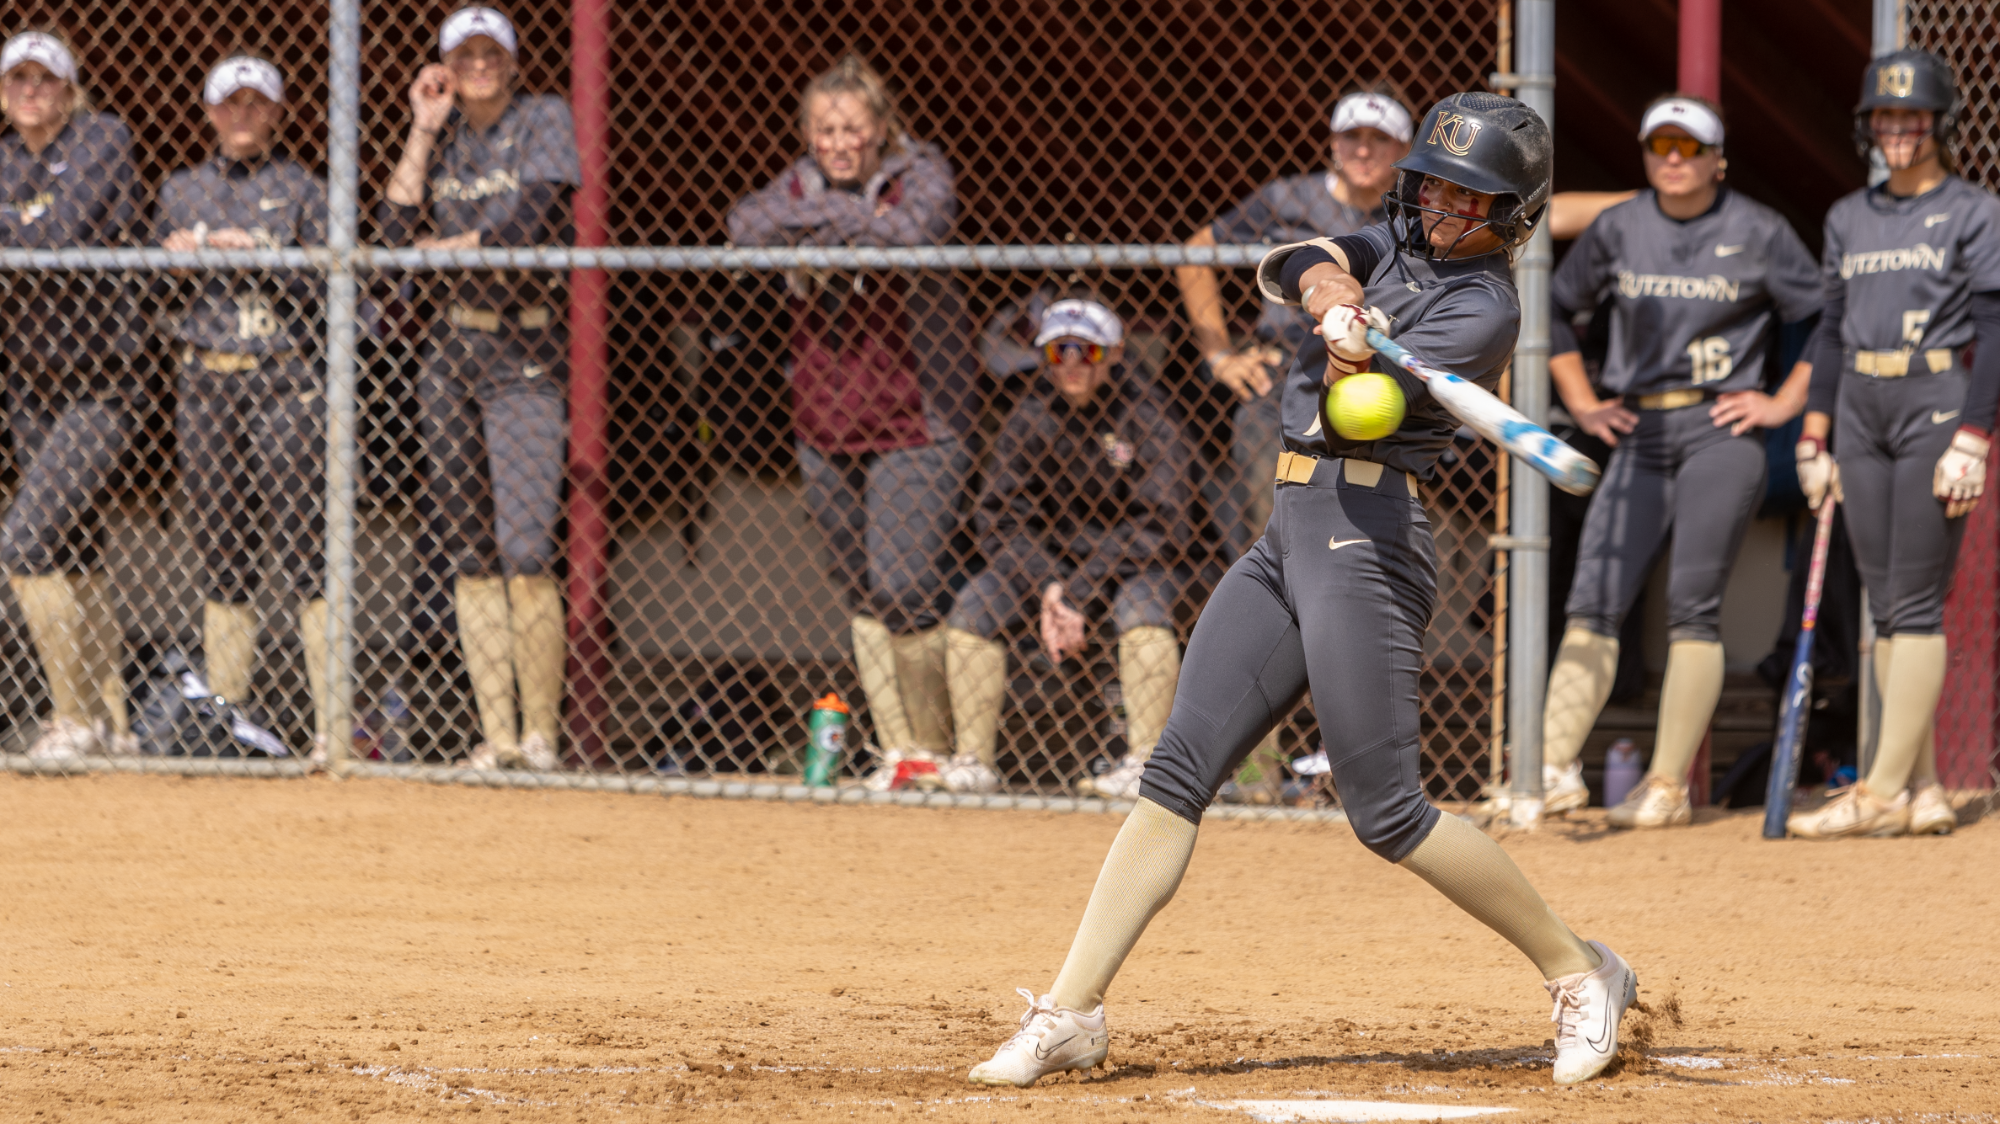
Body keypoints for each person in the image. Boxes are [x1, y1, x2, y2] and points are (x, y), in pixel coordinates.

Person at [968, 93, 1638, 1090]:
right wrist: (1332, 291)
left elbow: (1359, 414)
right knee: (1174, 769)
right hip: (1285, 530)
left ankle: (1580, 968)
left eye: (1471, 198)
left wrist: (1349, 354)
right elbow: (1288, 259)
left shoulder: (1484, 307)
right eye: (1437, 187)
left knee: (1386, 812)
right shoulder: (1391, 242)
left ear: (1510, 214)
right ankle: (1071, 1009)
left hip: (1365, 537)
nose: (1446, 209)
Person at [1534, 95, 1820, 827]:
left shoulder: (1758, 227)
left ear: (1717, 160)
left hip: (1721, 431)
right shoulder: (1622, 225)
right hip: (1640, 431)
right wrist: (1585, 400)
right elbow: (1556, 305)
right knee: (1593, 598)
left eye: (1690, 148)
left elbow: (1822, 320)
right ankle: (1550, 772)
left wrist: (1782, 402)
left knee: (1693, 606)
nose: (1672, 158)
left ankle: (1665, 788)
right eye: (1660, 144)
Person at [727, 55, 974, 781]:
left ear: (881, 129)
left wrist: (824, 226)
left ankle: (936, 748)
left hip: (917, 409)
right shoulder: (798, 184)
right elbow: (746, 224)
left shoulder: (921, 171)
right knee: (861, 584)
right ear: (807, 134)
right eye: (825, 129)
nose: (839, 143)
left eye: (853, 130)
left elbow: (916, 232)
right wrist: (855, 220)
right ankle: (900, 752)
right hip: (826, 415)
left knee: (903, 583)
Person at [1786, 50, 2000, 839]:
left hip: (1934, 400)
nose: (1898, 131)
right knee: (1886, 603)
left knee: (1913, 601)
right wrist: (1815, 431)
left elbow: (1995, 329)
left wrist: (1974, 435)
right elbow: (1833, 332)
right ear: (1868, 126)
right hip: (1859, 408)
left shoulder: (1974, 210)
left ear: (1938, 124)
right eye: (1886, 117)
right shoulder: (1850, 215)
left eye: (1913, 118)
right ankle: (1926, 787)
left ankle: (1877, 793)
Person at [380, 6, 579, 770]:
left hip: (525, 347)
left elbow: (532, 223)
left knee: (525, 548)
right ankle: (497, 737)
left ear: (513, 59)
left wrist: (452, 246)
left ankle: (541, 738)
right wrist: (423, 130)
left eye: (491, 50)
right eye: (464, 53)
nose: (479, 63)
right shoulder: (447, 134)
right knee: (468, 551)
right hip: (451, 351)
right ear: (446, 66)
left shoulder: (543, 117)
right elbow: (396, 239)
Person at [941, 299, 1194, 796]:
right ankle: (973, 760)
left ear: (1116, 353)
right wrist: (1050, 587)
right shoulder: (1029, 416)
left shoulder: (1151, 416)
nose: (1073, 363)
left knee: (1142, 610)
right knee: (972, 609)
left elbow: (1165, 524)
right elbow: (997, 517)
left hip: (1134, 563)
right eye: (1060, 352)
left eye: (1087, 351)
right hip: (1048, 569)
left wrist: (1078, 590)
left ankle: (1146, 764)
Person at [156, 55, 331, 753]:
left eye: (257, 104)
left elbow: (332, 296)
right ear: (209, 112)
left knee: (306, 555)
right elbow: (155, 304)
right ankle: (227, 724)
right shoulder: (182, 190)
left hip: (283, 378)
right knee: (223, 557)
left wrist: (265, 252)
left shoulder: (304, 189)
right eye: (229, 104)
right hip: (205, 381)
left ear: (279, 113)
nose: (242, 116)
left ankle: (330, 729)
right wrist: (169, 261)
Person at [1178, 90, 1411, 562]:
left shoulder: (1410, 217)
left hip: (1378, 378)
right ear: (1332, 144)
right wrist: (1220, 355)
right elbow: (1194, 254)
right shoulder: (1287, 197)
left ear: (1404, 150)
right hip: (1287, 374)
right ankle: (1279, 582)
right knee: (1275, 510)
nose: (1363, 150)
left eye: (1379, 139)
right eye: (1352, 137)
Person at [0, 30, 142, 761]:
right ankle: (110, 720)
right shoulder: (3, 159)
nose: (31, 91)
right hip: (30, 379)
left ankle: (73, 719)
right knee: (77, 550)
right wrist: (25, 231)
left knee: (23, 544)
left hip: (100, 380)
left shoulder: (102, 139)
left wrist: (21, 231)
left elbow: (65, 231)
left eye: (44, 79)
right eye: (18, 79)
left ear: (69, 87)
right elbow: (39, 235)